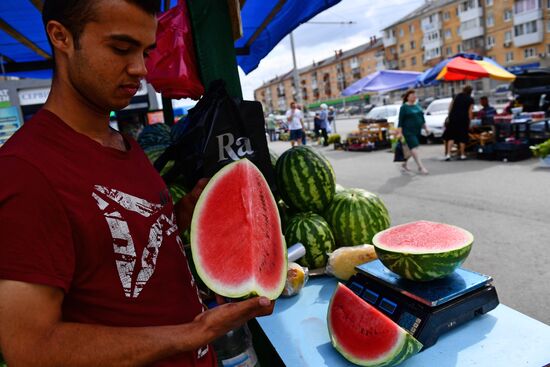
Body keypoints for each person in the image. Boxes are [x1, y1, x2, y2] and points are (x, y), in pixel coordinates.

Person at [0, 1, 274, 366]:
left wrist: (179, 218)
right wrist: (193, 333)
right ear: (60, 36)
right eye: (120, 48)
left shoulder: (125, 146)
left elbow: (113, 253)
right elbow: (31, 347)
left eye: (145, 51)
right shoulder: (25, 170)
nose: (140, 69)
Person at [397, 90, 430, 175]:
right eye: (412, 95)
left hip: (417, 131)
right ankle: (420, 167)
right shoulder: (404, 107)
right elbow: (400, 121)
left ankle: (404, 164)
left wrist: (426, 128)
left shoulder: (417, 106)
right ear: (407, 97)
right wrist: (399, 133)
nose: (414, 97)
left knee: (411, 149)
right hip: (408, 131)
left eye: (414, 95)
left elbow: (422, 119)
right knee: (414, 148)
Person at [443, 85, 474, 161]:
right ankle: (462, 154)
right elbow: (470, 112)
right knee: (462, 137)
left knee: (451, 136)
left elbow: (450, 107)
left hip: (453, 119)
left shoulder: (456, 96)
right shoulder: (470, 99)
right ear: (470, 91)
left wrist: (450, 116)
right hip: (463, 119)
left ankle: (448, 154)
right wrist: (470, 122)